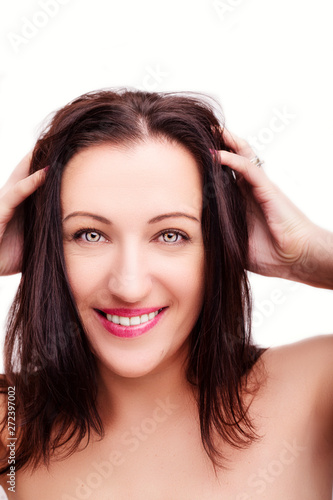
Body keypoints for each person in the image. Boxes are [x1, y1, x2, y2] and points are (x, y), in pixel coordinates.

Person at [0, 88, 332, 499]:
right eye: (90, 234)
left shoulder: (317, 388)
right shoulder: (12, 421)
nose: (129, 285)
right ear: (49, 246)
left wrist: (311, 254)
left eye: (170, 235)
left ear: (217, 245)